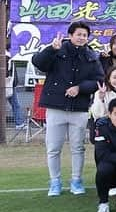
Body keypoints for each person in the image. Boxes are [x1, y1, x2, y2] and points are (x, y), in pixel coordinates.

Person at [32, 21, 105, 196]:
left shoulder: (91, 56)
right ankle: (55, 182)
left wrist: (80, 88)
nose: (81, 38)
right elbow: (39, 63)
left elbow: (99, 80)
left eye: (84, 35)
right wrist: (51, 49)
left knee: (78, 148)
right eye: (78, 34)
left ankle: (76, 180)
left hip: (79, 109)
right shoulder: (57, 50)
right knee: (53, 148)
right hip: (56, 107)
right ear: (70, 35)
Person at [5, 50, 26, 130]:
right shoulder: (7, 57)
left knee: (15, 104)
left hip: (9, 84)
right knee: (15, 104)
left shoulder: (7, 56)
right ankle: (19, 123)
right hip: (9, 84)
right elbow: (8, 72)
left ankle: (19, 123)